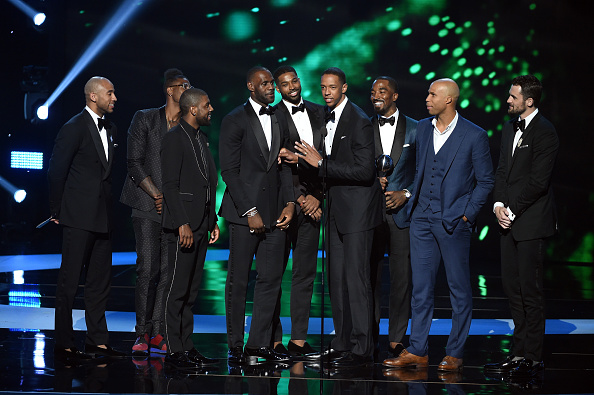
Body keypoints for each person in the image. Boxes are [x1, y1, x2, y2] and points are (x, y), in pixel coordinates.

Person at [383, 78, 494, 372]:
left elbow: (485, 181)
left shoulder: (474, 135)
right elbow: (417, 171)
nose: (427, 98)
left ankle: (455, 352)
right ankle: (418, 349)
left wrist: (467, 214)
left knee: (458, 288)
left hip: (453, 222)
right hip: (421, 219)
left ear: (449, 100)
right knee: (421, 288)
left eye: (433, 94)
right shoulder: (422, 128)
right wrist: (409, 196)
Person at [282, 67, 383, 368]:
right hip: (337, 213)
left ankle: (363, 348)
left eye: (332, 87)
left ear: (344, 89)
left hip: (358, 214)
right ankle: (342, 343)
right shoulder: (327, 119)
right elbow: (329, 165)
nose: (326, 92)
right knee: (337, 281)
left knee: (357, 279)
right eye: (323, 87)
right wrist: (302, 159)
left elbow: (365, 171)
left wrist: (320, 163)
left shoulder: (360, 121)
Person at [219, 66, 295, 365]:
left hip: (276, 212)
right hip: (244, 215)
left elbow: (287, 164)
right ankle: (236, 345)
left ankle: (258, 344)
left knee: (271, 280)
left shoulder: (279, 117)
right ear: (250, 86)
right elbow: (230, 171)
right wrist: (249, 210)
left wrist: (290, 203)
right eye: (264, 83)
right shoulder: (234, 119)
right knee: (238, 281)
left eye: (272, 83)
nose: (270, 87)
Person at [484, 75, 558, 377]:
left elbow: (538, 182)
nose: (508, 101)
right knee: (512, 289)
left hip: (531, 223)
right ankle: (516, 354)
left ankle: (533, 356)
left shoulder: (546, 132)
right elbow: (502, 170)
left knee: (530, 291)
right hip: (507, 221)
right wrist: (498, 204)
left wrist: (512, 210)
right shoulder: (508, 127)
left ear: (529, 100)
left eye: (513, 96)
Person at [48, 76, 125, 361]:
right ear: (93, 96)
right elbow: (56, 171)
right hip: (78, 216)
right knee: (69, 282)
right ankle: (64, 343)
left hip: (103, 216)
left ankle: (97, 341)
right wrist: (57, 210)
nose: (114, 97)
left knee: (99, 281)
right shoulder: (73, 127)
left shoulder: (112, 127)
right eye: (110, 92)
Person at [120, 68, 191, 355]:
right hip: (146, 205)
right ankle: (141, 333)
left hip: (174, 210)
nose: (188, 89)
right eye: (184, 85)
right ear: (170, 90)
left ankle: (159, 332)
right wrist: (158, 195)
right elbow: (134, 162)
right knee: (147, 268)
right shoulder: (145, 118)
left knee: (166, 272)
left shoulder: (189, 126)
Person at [160, 88, 220, 368]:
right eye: (207, 105)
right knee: (177, 289)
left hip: (201, 225)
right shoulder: (174, 139)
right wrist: (182, 222)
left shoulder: (201, 139)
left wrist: (212, 221)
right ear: (193, 109)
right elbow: (170, 186)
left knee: (192, 291)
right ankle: (174, 350)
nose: (211, 109)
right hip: (182, 226)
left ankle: (187, 345)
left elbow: (207, 182)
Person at [272, 65, 325, 357]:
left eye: (294, 80)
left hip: (313, 206)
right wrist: (298, 198)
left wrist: (316, 196)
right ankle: (274, 339)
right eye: (285, 84)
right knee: (274, 274)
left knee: (305, 274)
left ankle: (299, 341)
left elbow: (328, 160)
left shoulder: (320, 112)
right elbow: (277, 166)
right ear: (277, 88)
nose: (292, 86)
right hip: (282, 204)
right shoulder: (272, 116)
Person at [368, 76, 417, 358]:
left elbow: (424, 170)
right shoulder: (364, 126)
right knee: (369, 276)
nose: (376, 95)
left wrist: (406, 194)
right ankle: (368, 334)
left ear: (395, 96)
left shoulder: (416, 128)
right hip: (371, 214)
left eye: (382, 91)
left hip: (403, 215)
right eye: (373, 91)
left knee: (402, 278)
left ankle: (397, 337)